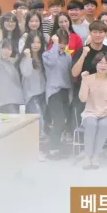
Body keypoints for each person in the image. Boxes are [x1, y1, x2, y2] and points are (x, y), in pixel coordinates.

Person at [78, 52, 107, 169]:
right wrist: (83, 80)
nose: (103, 65)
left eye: (106, 63)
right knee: (91, 124)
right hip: (90, 112)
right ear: (95, 64)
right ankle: (87, 156)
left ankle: (96, 156)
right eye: (100, 62)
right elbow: (83, 99)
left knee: (104, 124)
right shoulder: (88, 79)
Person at [42, 29, 73, 160]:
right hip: (53, 91)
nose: (62, 45)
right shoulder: (47, 55)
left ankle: (59, 148)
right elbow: (53, 62)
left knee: (65, 121)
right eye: (60, 42)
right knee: (59, 120)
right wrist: (55, 45)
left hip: (65, 91)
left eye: (65, 42)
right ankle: (52, 149)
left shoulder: (68, 56)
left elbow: (69, 75)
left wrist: (71, 92)